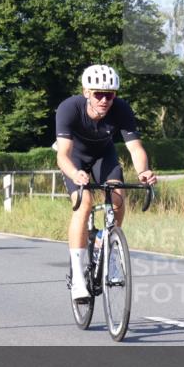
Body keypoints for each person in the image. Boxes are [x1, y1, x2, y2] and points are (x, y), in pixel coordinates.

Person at [56, 65, 157, 302]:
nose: (104, 100)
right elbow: (62, 155)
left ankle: (109, 249)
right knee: (85, 203)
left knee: (118, 197)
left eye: (109, 95)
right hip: (75, 159)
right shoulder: (69, 109)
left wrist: (143, 171)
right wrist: (74, 174)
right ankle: (79, 278)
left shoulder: (121, 109)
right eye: (98, 94)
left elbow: (135, 148)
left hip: (104, 156)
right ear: (86, 92)